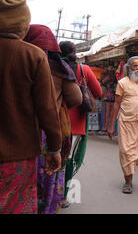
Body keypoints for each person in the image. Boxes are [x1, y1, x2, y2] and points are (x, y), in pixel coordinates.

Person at [0, 0, 62, 214]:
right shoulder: (33, 56)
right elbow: (47, 109)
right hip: (19, 156)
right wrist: (54, 148)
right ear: (23, 26)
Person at [24, 25, 82, 214]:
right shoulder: (61, 67)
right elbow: (76, 99)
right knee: (49, 172)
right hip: (49, 129)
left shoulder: (20, 58)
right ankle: (45, 207)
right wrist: (57, 101)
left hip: (21, 128)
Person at [59, 41, 102, 206]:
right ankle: (63, 196)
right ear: (74, 52)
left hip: (54, 120)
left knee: (52, 155)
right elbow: (98, 92)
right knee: (68, 159)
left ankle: (47, 193)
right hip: (76, 122)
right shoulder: (84, 70)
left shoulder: (52, 67)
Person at [108, 56, 138, 194]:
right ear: (129, 68)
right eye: (134, 66)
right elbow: (116, 104)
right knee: (126, 152)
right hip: (126, 122)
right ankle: (128, 181)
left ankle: (130, 168)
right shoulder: (122, 83)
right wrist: (111, 125)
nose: (137, 68)